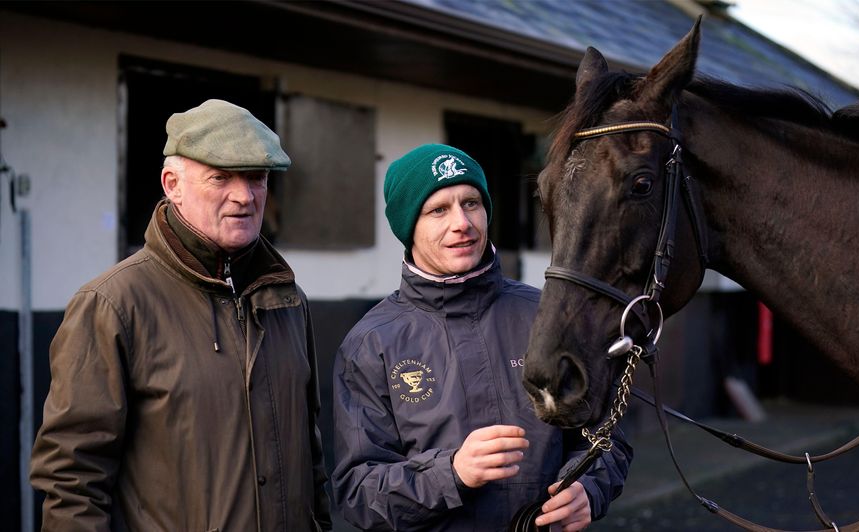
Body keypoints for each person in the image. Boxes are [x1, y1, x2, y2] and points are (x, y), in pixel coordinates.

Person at [30, 99, 332, 531]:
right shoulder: (112, 304)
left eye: (257, 178)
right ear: (172, 184)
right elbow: (72, 480)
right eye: (220, 178)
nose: (244, 196)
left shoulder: (288, 301)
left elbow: (311, 452)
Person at [331, 143, 631, 531]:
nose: (462, 222)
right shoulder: (372, 343)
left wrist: (589, 489)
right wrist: (451, 473)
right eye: (438, 210)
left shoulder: (545, 316)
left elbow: (605, 437)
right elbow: (357, 492)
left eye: (471, 202)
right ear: (409, 227)